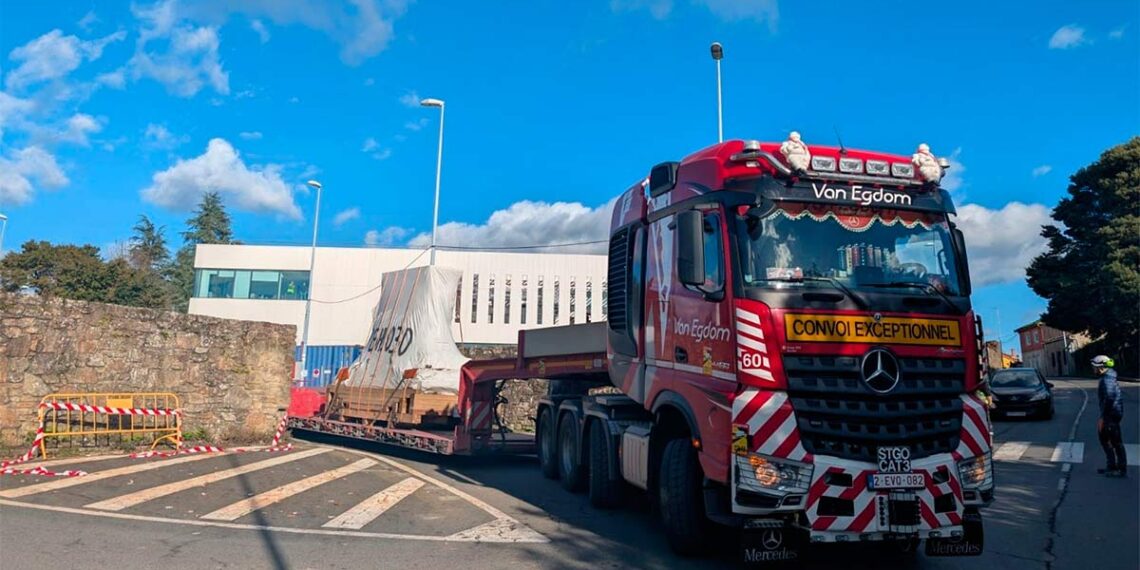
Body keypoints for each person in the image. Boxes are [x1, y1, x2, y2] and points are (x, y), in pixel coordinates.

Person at [1092, 355, 1127, 477]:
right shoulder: (1108, 377)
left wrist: (1103, 418)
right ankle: (1111, 466)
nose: (1093, 369)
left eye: (1095, 367)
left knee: (1114, 442)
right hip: (1113, 414)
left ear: (1101, 367)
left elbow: (1109, 399)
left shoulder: (1107, 380)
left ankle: (1120, 469)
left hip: (1111, 415)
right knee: (1106, 440)